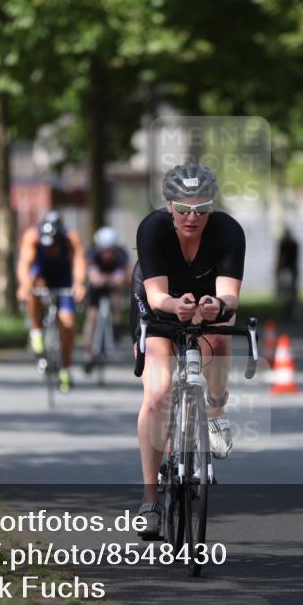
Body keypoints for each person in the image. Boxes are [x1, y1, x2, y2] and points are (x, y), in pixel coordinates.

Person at [131, 163, 245, 539]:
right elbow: (156, 295)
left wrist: (217, 305)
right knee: (158, 394)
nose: (191, 217)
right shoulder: (152, 229)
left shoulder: (228, 231)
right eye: (182, 209)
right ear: (169, 206)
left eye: (200, 209)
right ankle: (150, 499)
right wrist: (175, 305)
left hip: (206, 302)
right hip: (160, 300)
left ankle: (215, 411)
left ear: (212, 208)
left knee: (222, 335)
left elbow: (231, 296)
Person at [16, 210, 87, 392]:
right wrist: (24, 285)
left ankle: (66, 367)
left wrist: (79, 283)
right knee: (33, 291)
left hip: (63, 279)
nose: (50, 248)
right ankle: (36, 331)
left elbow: (79, 260)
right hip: (41, 276)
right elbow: (25, 263)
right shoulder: (32, 236)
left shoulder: (70, 237)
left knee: (68, 323)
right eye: (47, 245)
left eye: (53, 244)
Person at [82, 226, 130, 373]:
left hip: (113, 286)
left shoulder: (121, 254)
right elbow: (93, 278)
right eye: (104, 250)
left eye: (110, 250)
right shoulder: (92, 254)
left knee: (117, 298)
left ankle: (116, 323)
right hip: (97, 288)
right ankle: (88, 354)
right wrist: (103, 278)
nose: (107, 254)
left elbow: (124, 277)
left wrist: (115, 280)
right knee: (91, 317)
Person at [276, 227, 300, 320]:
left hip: (288, 269)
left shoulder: (287, 244)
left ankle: (290, 310)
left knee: (290, 291)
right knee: (288, 291)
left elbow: (280, 257)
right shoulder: (288, 244)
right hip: (287, 269)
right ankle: (288, 310)